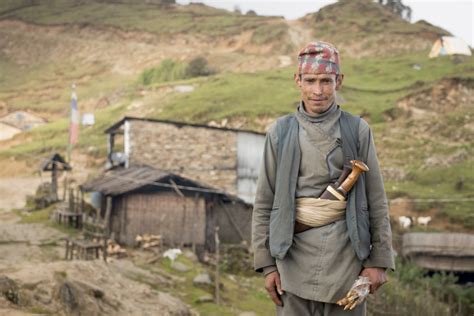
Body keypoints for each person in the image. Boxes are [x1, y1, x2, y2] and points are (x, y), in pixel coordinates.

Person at [252, 41, 395, 315]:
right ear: (298, 80)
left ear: (338, 81)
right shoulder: (280, 133)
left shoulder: (357, 131)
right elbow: (264, 202)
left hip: (347, 263)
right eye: (310, 81)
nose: (318, 91)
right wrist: (267, 265)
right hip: (291, 265)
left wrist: (379, 261)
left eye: (326, 81)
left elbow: (376, 199)